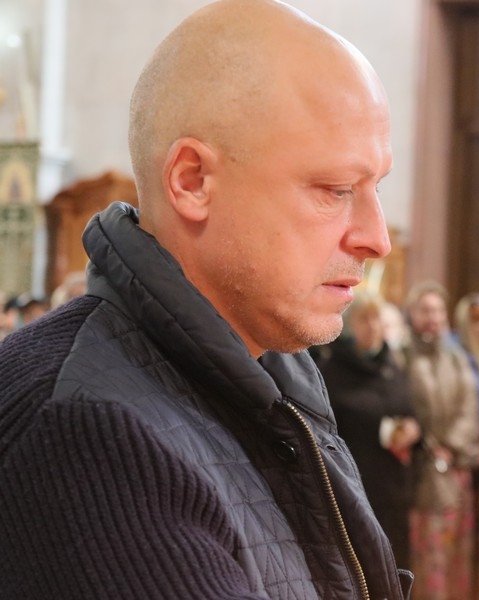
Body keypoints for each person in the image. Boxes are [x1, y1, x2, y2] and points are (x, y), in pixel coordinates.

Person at [0, 1, 412, 598]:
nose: (377, 238)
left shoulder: (272, 376)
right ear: (192, 181)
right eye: (335, 189)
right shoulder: (91, 432)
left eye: (376, 187)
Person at [316, 291, 421, 572]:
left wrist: (413, 429)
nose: (373, 326)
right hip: (355, 486)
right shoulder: (331, 371)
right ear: (349, 324)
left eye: (377, 318)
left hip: (394, 484)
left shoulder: (391, 365)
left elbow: (409, 410)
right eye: (364, 319)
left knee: (396, 564)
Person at [404, 280, 479, 600]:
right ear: (412, 314)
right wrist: (427, 443)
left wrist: (451, 445)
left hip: (457, 465)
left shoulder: (456, 356)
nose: (432, 317)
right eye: (425, 310)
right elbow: (402, 405)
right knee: (429, 558)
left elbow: (469, 405)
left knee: (459, 555)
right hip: (421, 470)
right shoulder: (403, 355)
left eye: (437, 310)